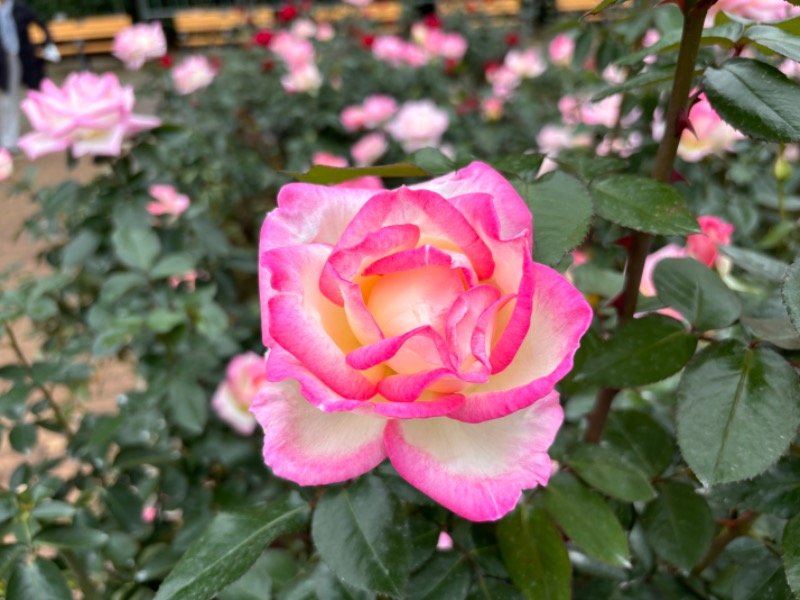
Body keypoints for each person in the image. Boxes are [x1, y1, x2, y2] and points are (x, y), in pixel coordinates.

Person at [0, 0, 58, 153]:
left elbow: (41, 24)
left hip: (25, 58)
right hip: (5, 61)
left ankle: (50, 132)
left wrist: (47, 44)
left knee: (36, 96)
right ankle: (8, 141)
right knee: (8, 100)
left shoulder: (19, 9)